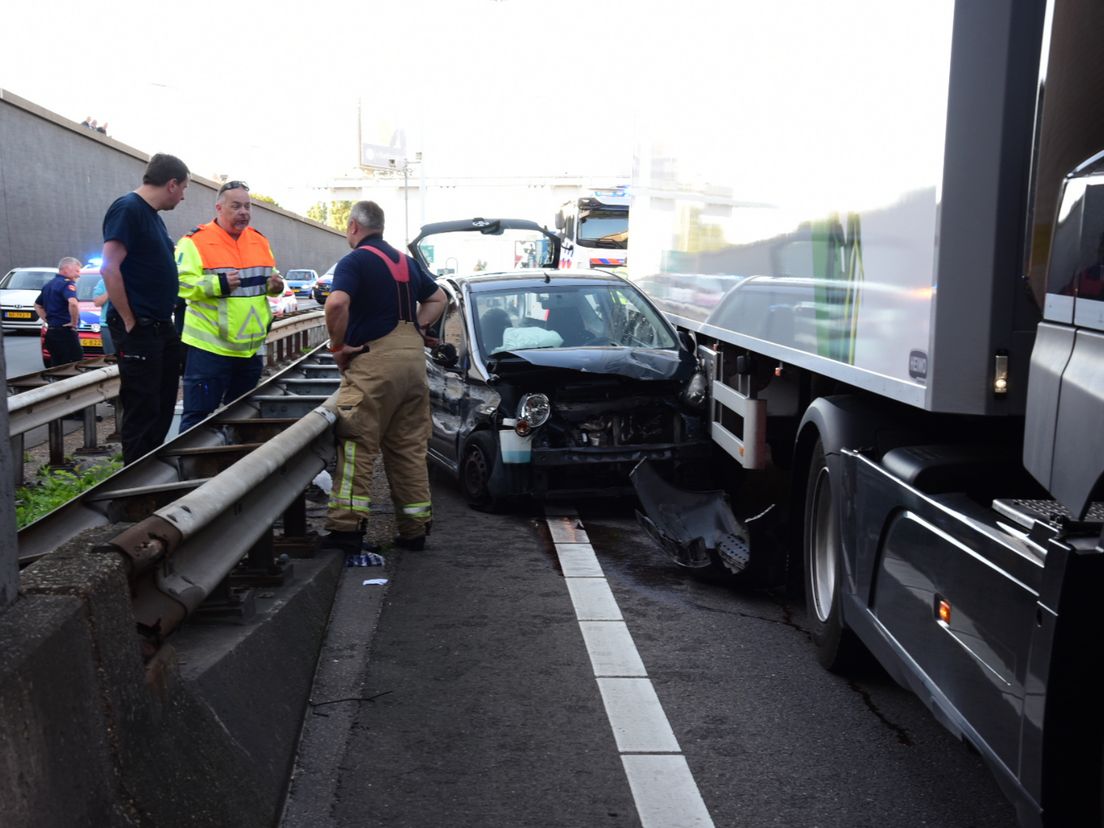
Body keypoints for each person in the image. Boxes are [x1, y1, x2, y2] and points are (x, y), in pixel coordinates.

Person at [322, 200, 446, 554]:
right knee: (408, 447)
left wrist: (337, 346)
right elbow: (438, 298)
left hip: (375, 361)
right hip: (413, 362)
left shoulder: (355, 261)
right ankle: (415, 528)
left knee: (357, 442)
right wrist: (418, 327)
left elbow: (336, 304)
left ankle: (347, 530)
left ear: (353, 227)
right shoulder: (406, 262)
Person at [101, 152, 190, 464]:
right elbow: (109, 268)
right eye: (183, 189)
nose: (183, 197)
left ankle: (152, 473)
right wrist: (129, 320)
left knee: (163, 402)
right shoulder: (128, 209)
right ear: (171, 184)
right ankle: (133, 490)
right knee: (143, 405)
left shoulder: (152, 217)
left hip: (159, 325)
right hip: (140, 326)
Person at [175, 180, 282, 432]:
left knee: (242, 418)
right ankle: (188, 471)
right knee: (197, 421)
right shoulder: (194, 242)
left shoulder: (259, 241)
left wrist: (275, 286)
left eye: (247, 206)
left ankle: (233, 467)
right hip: (210, 349)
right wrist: (217, 284)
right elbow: (179, 284)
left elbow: (269, 280)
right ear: (219, 208)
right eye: (236, 206)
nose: (244, 212)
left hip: (249, 351)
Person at [34, 257, 83, 366]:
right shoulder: (67, 284)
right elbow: (73, 303)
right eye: (77, 271)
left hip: (51, 333)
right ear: (66, 269)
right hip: (66, 333)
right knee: (75, 365)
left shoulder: (48, 285)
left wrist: (48, 320)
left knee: (57, 365)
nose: (78, 274)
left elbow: (37, 305)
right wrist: (74, 323)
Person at [91, 276, 114, 355]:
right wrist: (110, 290)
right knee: (111, 355)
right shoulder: (103, 282)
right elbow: (97, 302)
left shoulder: (129, 279)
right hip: (107, 325)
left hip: (127, 324)